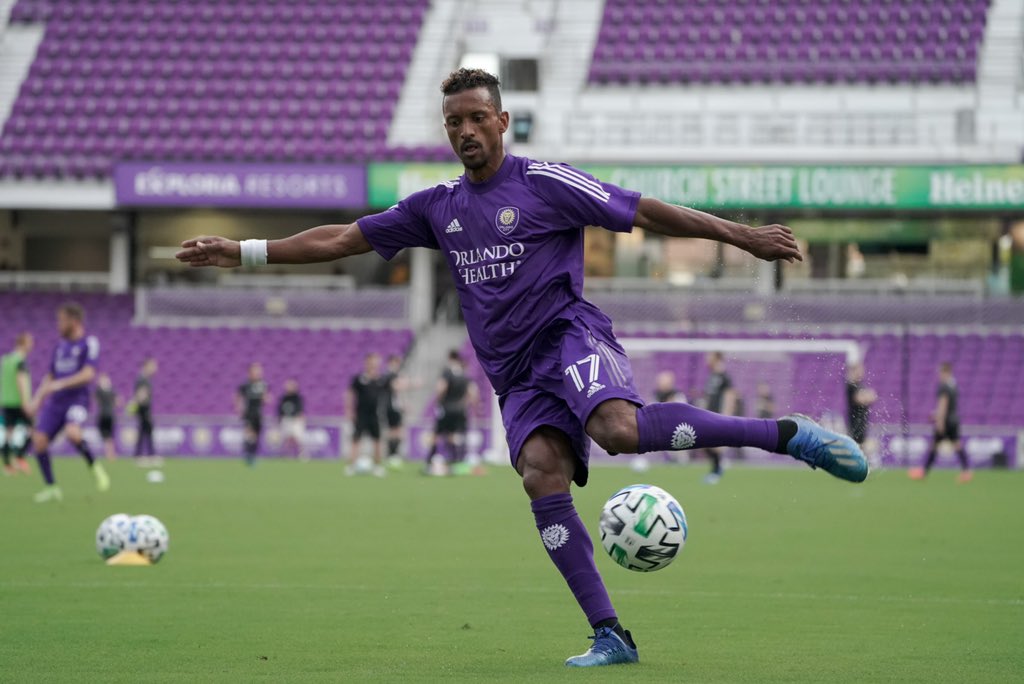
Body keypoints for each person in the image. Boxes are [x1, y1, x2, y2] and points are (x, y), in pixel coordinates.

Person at [175, 68, 868, 668]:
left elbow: (641, 209)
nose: (466, 130)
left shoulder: (543, 183)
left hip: (568, 336)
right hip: (514, 376)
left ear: (503, 121)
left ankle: (786, 435)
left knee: (620, 429)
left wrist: (740, 235)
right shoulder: (436, 207)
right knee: (541, 474)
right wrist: (246, 251)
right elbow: (345, 237)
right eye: (455, 121)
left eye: (478, 117)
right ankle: (610, 635)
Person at [26, 303, 110, 502]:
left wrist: (60, 384)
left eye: (61, 321)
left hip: (77, 399)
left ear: (74, 322)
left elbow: (89, 374)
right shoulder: (59, 347)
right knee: (39, 441)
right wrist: (37, 399)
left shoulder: (89, 343)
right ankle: (51, 487)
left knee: (73, 433)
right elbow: (50, 376)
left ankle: (95, 467)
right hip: (56, 402)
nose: (58, 325)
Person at [911, 362, 971, 483]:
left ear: (946, 372)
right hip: (954, 420)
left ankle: (923, 471)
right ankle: (966, 472)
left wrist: (939, 421)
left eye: (941, 372)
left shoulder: (943, 386)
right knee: (954, 444)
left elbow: (943, 405)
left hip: (946, 421)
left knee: (936, 445)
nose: (939, 375)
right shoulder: (953, 385)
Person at [426, 350, 479, 475]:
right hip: (460, 410)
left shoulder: (447, 372)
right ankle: (455, 460)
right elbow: (473, 393)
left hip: (447, 408)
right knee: (454, 435)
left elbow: (441, 388)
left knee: (437, 434)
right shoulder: (464, 374)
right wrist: (466, 405)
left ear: (450, 358)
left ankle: (429, 460)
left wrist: (438, 401)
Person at [346, 353, 385, 477]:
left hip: (375, 414)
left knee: (377, 440)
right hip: (361, 414)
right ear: (366, 363)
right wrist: (349, 410)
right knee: (356, 439)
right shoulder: (359, 378)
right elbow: (349, 393)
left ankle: (377, 466)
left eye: (375, 362)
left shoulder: (380, 379)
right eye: (371, 362)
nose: (373, 365)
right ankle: (351, 466)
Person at [701, 352, 737, 484]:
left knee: (712, 444)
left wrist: (726, 415)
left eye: (709, 356)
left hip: (718, 415)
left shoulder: (724, 377)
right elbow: (708, 396)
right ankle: (719, 465)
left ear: (716, 359)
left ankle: (716, 471)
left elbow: (730, 395)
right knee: (704, 443)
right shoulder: (712, 376)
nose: (707, 359)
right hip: (709, 414)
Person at [1, 332, 34, 475]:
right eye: (29, 342)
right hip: (19, 402)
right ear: (22, 344)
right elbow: (21, 381)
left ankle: (7, 465)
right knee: (34, 430)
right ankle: (20, 456)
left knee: (8, 433)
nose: (32, 345)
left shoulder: (6, 360)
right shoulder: (20, 361)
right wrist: (25, 402)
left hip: (6, 400)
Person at [237, 362, 268, 466]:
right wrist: (240, 409)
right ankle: (248, 455)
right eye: (255, 371)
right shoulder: (245, 385)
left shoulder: (262, 384)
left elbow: (266, 398)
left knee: (256, 436)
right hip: (249, 413)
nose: (257, 373)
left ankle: (252, 455)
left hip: (258, 414)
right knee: (250, 435)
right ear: (250, 373)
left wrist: (266, 398)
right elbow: (239, 398)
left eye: (259, 371)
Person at [380, 355, 407, 467]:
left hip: (392, 406)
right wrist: (411, 383)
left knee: (395, 431)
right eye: (396, 362)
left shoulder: (387, 375)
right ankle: (392, 455)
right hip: (391, 407)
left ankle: (392, 455)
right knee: (395, 432)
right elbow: (397, 387)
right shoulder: (391, 375)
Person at [132, 357, 159, 466]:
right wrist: (138, 403)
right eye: (153, 366)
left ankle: (146, 454)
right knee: (145, 430)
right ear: (146, 366)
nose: (155, 369)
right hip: (143, 408)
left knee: (146, 430)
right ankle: (143, 455)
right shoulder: (142, 379)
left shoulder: (145, 378)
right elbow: (140, 394)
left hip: (144, 408)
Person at [845, 362, 877, 447]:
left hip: (862, 426)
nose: (861, 373)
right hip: (855, 426)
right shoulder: (851, 385)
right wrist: (866, 396)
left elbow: (873, 396)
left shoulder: (861, 385)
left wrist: (866, 396)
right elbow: (860, 399)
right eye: (859, 371)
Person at [277, 378, 306, 460]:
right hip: (286, 420)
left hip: (295, 420)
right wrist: (279, 420)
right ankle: (286, 454)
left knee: (298, 438)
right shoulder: (283, 398)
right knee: (286, 439)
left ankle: (302, 454)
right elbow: (280, 410)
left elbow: (301, 410)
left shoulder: (297, 398)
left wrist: (300, 419)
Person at [95, 373, 119, 461]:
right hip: (110, 415)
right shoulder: (112, 390)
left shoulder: (99, 391)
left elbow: (96, 400)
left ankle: (108, 453)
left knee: (106, 436)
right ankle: (111, 454)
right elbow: (117, 402)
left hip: (103, 415)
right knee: (109, 436)